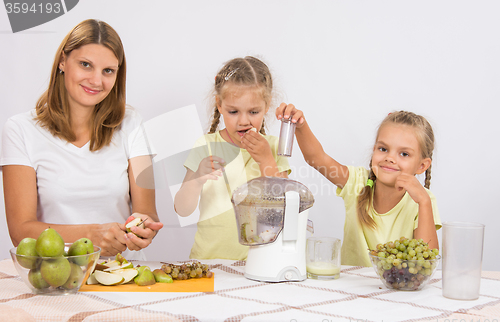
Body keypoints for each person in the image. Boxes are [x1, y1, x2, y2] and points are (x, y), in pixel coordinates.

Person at [0, 19, 163, 259]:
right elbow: (21, 231)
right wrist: (92, 235)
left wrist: (144, 228)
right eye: (86, 65)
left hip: (121, 275)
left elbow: (147, 212)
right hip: (54, 277)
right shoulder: (20, 129)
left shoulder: (132, 122)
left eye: (108, 71)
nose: (97, 81)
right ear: (63, 62)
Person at [276, 107, 441, 267]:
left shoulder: (423, 200)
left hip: (396, 290)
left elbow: (427, 261)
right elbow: (317, 158)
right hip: (352, 286)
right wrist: (301, 126)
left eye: (404, 154)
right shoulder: (357, 182)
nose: (390, 158)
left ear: (421, 165)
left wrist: (424, 202)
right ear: (374, 150)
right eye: (383, 149)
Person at [174, 56, 291, 260]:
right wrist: (196, 181)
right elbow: (183, 210)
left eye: (253, 111)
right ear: (219, 104)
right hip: (208, 261)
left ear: (267, 105)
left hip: (261, 262)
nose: (243, 121)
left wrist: (266, 161)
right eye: (233, 111)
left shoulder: (273, 147)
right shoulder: (206, 145)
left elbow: (283, 207)